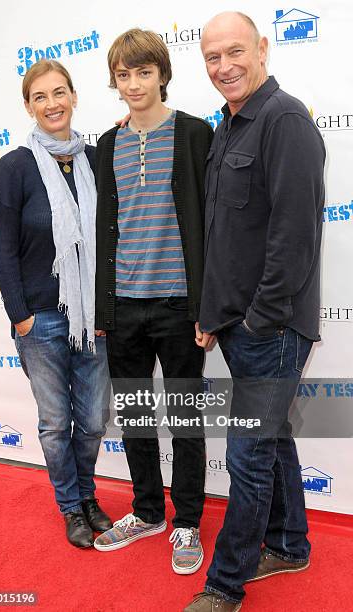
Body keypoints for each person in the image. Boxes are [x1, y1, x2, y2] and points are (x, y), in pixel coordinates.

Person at [184, 11, 325, 612]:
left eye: (234, 52)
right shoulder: (227, 127)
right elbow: (228, 236)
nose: (223, 67)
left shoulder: (284, 119)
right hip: (240, 328)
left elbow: (295, 238)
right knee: (273, 441)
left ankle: (224, 584)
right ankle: (290, 543)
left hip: (272, 329)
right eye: (212, 58)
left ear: (262, 48)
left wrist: (260, 320)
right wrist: (217, 314)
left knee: (248, 455)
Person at [93, 28, 215, 575]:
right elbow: (101, 231)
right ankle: (147, 512)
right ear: (115, 82)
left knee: (187, 420)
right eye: (125, 74)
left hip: (178, 306)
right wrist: (103, 308)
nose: (135, 83)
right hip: (123, 306)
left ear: (162, 75)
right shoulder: (107, 144)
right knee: (136, 416)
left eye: (145, 72)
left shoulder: (195, 134)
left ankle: (187, 519)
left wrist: (206, 307)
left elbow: (214, 220)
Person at [0, 59, 112, 549]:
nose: (52, 104)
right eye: (40, 96)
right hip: (39, 319)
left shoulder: (95, 158)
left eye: (59, 93)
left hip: (93, 318)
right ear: (28, 106)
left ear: (74, 96)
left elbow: (110, 235)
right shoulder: (16, 166)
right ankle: (71, 506)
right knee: (54, 423)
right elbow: (3, 247)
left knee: (92, 420)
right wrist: (20, 316)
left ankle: (87, 496)